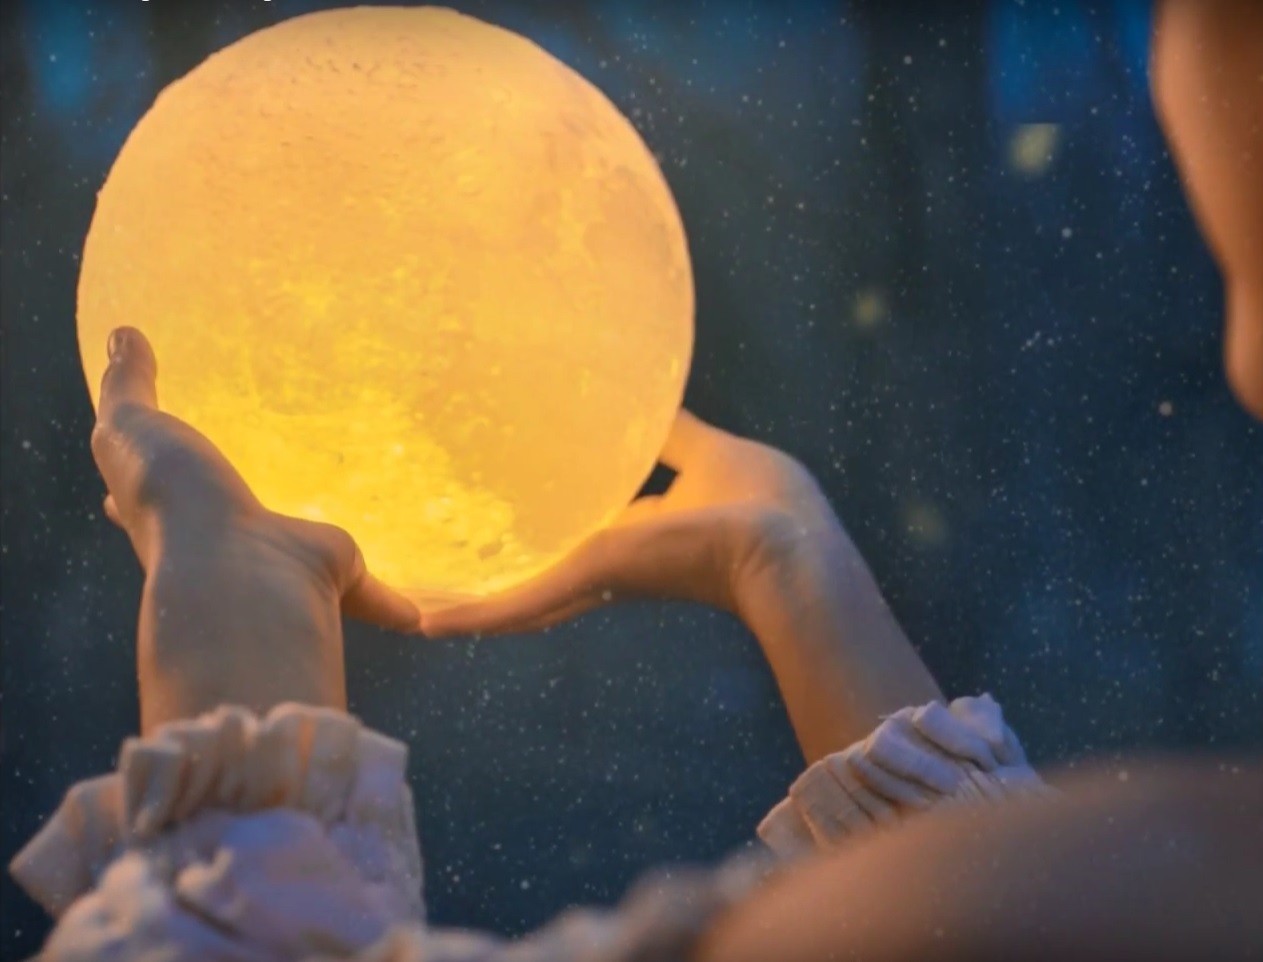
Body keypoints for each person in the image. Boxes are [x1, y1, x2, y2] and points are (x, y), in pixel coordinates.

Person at [9, 0, 1262, 958]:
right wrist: (792, 566)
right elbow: (990, 908)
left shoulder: (1197, 868)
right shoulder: (1195, 871)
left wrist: (240, 651)